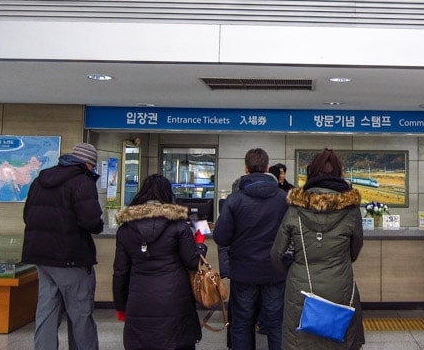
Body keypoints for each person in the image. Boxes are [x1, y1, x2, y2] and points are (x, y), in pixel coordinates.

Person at [271, 148, 365, 350]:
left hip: (301, 288)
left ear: (311, 173)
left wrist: (293, 269)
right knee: (339, 340)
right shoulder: (351, 209)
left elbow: (277, 253)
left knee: (300, 342)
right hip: (340, 284)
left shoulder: (296, 207)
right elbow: (355, 250)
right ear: (338, 173)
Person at [22, 143, 104, 350]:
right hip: (71, 258)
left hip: (42, 258)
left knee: (46, 313)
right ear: (88, 164)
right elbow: (91, 221)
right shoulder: (82, 182)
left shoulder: (40, 180)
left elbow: (27, 216)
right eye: (93, 167)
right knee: (80, 315)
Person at [112, 174, 207, 350]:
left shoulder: (126, 229)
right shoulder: (178, 226)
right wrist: (200, 243)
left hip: (139, 298)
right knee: (177, 343)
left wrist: (120, 305)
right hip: (175, 298)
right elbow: (193, 262)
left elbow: (120, 271)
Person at [214, 148, 288, 350]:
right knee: (276, 325)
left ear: (246, 169)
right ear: (266, 168)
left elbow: (220, 236)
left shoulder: (235, 200)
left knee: (242, 324)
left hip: (243, 273)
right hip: (275, 271)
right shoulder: (283, 199)